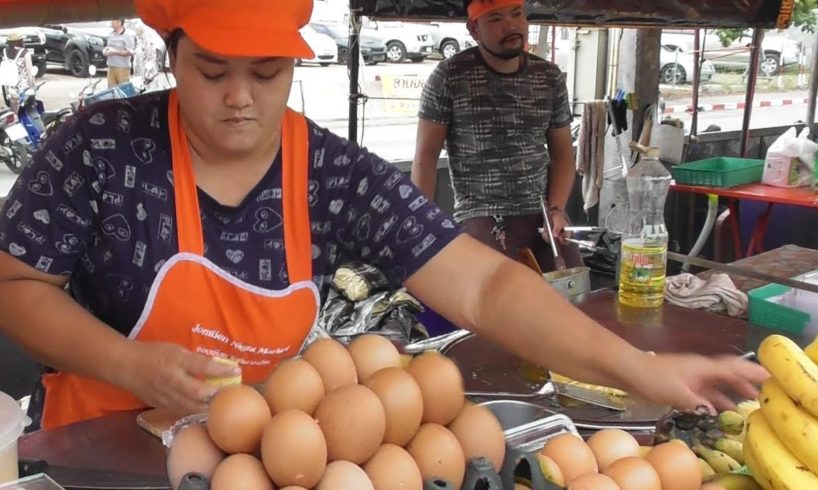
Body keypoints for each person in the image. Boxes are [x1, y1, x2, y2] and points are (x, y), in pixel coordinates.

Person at [0, 0, 765, 430]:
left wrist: (645, 371)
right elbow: (17, 286)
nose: (240, 97)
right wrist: (132, 366)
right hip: (95, 452)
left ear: (297, 64)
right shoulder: (100, 145)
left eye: (267, 73)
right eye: (212, 70)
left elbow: (487, 288)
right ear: (172, 56)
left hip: (253, 457)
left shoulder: (328, 173)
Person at [412, 0, 582, 272]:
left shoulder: (549, 77)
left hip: (542, 212)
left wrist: (557, 210)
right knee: (495, 301)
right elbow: (426, 156)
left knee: (573, 293)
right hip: (480, 213)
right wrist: (423, 223)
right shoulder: (449, 77)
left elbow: (562, 155)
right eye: (495, 19)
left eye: (517, 14)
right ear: (474, 30)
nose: (511, 25)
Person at [1, 32, 35, 113]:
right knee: (25, 110)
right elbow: (29, 71)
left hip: (10, 84)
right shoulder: (25, 53)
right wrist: (32, 83)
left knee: (14, 108)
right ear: (20, 41)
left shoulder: (4, 52)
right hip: (23, 85)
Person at [103, 18, 136, 88]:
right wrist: (105, 50)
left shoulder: (128, 35)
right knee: (111, 91)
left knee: (123, 91)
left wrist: (114, 52)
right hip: (111, 67)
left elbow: (130, 52)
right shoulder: (111, 34)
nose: (111, 22)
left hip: (122, 68)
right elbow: (109, 47)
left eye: (113, 20)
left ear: (119, 22)